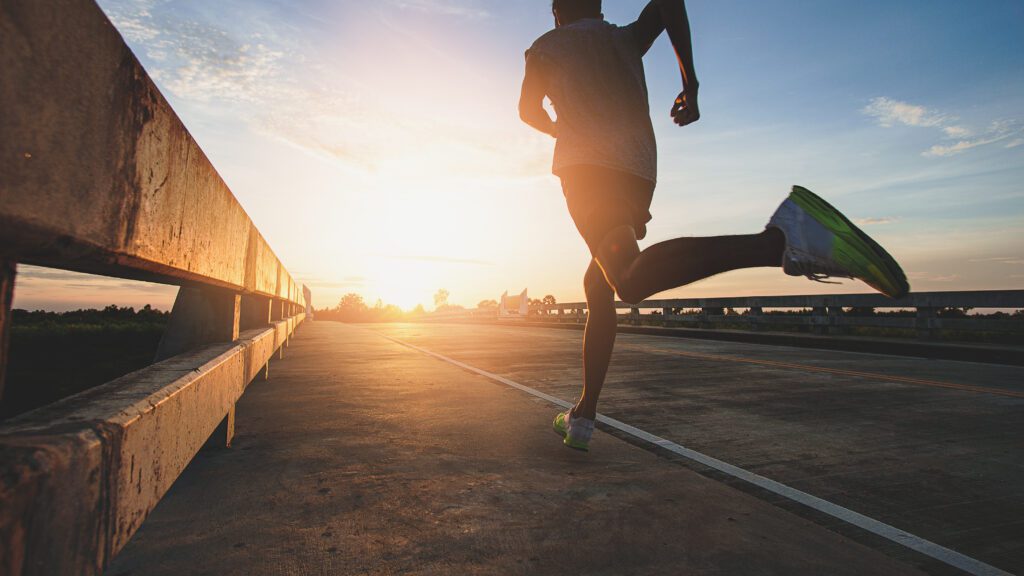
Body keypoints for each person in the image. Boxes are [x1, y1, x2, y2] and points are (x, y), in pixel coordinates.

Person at [519, 0, 909, 451]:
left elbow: (529, 110)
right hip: (638, 173)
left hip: (588, 170)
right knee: (599, 283)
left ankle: (778, 240)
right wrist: (692, 84)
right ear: (599, 6)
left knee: (626, 278)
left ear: (556, 11)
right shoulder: (623, 39)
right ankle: (584, 415)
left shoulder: (545, 47)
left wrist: (561, 127)